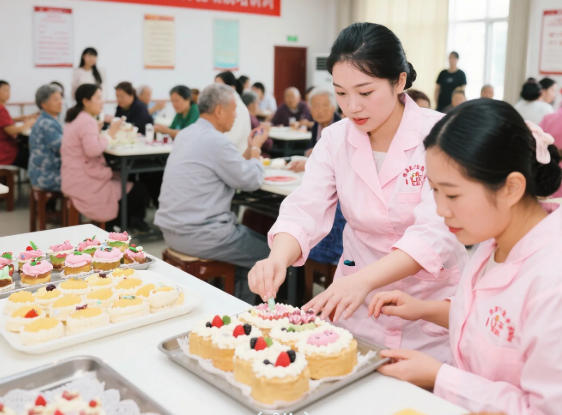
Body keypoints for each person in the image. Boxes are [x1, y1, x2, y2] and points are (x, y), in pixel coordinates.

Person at [249, 23, 466, 360]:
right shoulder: (336, 139)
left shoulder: (441, 134)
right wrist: (277, 257)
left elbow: (436, 233)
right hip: (357, 305)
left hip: (427, 306)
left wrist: (364, 281)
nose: (351, 107)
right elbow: (306, 209)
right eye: (340, 93)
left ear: (399, 81)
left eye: (365, 93)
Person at [370, 99, 562, 415]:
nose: (441, 210)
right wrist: (423, 309)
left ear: (511, 188)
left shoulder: (551, 280)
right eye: (434, 191)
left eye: (453, 194)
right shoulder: (494, 239)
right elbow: (493, 320)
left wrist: (439, 377)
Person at [154, 84, 270, 303]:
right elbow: (251, 180)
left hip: (172, 230)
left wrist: (248, 149)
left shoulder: (186, 134)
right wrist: (256, 149)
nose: (236, 116)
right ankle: (241, 310)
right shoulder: (217, 142)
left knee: (252, 243)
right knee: (270, 254)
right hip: (201, 235)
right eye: (234, 110)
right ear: (219, 111)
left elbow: (232, 166)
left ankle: (228, 298)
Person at [61, 84, 148, 228]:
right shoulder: (87, 121)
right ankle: (113, 226)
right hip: (84, 182)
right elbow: (93, 151)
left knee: (121, 178)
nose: (102, 102)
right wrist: (110, 133)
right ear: (86, 101)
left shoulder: (76, 118)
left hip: (72, 178)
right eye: (98, 98)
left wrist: (98, 132)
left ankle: (117, 223)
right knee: (138, 190)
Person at [288, 87, 341, 173]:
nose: (320, 111)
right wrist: (309, 152)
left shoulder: (340, 127)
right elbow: (311, 150)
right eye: (315, 106)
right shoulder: (316, 125)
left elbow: (338, 160)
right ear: (310, 110)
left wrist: (309, 164)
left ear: (333, 107)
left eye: (325, 105)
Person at [28, 85, 63, 191]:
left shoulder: (44, 119)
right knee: (85, 180)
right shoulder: (47, 124)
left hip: (38, 173)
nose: (60, 102)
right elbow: (65, 148)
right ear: (44, 104)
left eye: (60, 98)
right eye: (56, 99)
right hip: (47, 176)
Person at [0, 80, 35, 167]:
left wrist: (22, 118)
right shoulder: (1, 109)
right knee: (34, 157)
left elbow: (4, 121)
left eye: (9, 90)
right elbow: (11, 130)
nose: (8, 93)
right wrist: (29, 123)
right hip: (6, 153)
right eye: (5, 90)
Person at [215, 71, 251, 153]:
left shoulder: (239, 108)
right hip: (225, 151)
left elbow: (232, 139)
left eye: (220, 87)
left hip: (236, 154)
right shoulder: (224, 105)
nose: (216, 91)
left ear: (232, 88)